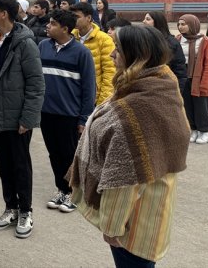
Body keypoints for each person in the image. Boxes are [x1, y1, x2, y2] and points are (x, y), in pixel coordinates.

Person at [68, 25, 189, 268]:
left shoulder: (137, 109)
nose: (112, 55)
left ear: (137, 56)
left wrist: (112, 227)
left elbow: (125, 178)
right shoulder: (160, 81)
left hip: (134, 223)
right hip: (154, 206)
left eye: (118, 50)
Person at [0, 0, 44, 239]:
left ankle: (26, 211)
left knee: (20, 165)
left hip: (17, 118)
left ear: (5, 13)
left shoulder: (24, 42)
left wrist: (27, 119)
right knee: (5, 165)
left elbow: (36, 83)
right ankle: (11, 208)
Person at [39, 9, 95, 213]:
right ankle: (62, 189)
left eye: (53, 24)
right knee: (54, 154)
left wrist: (83, 118)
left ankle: (75, 193)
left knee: (70, 155)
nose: (48, 26)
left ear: (65, 29)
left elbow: (89, 88)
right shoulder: (43, 46)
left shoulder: (82, 53)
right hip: (47, 113)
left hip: (69, 115)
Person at [177, 14, 208, 144]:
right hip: (183, 76)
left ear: (192, 24)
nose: (180, 27)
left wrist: (205, 82)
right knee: (187, 106)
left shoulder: (204, 41)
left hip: (198, 77)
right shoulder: (178, 39)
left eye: (183, 24)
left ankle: (204, 131)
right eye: (179, 24)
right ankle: (193, 129)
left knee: (201, 106)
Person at [71, 2, 116, 106]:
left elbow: (110, 73)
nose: (73, 19)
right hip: (72, 97)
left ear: (89, 18)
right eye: (72, 16)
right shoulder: (70, 37)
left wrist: (101, 104)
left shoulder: (104, 40)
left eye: (77, 17)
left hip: (93, 99)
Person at [142, 12, 187, 91]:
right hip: (144, 87)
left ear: (157, 22)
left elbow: (180, 71)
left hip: (165, 88)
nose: (144, 21)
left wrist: (178, 91)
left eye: (148, 19)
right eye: (144, 19)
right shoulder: (142, 41)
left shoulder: (172, 43)